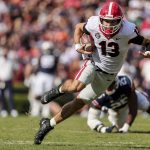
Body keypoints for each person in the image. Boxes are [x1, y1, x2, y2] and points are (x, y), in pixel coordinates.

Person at [34, 1, 150, 144]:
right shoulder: (94, 23)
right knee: (76, 87)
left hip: (108, 75)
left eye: (112, 21)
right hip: (93, 62)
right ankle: (57, 91)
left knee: (78, 103)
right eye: (106, 21)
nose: (108, 25)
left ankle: (48, 124)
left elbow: (147, 42)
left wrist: (148, 51)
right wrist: (78, 46)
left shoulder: (128, 30)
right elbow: (78, 28)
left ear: (120, 21)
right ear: (101, 19)